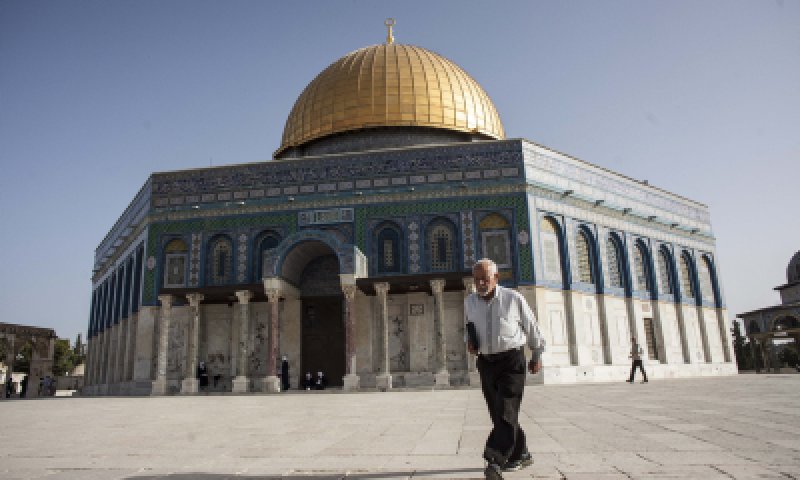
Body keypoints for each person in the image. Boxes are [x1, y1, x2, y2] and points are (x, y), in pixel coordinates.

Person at [464, 258, 545, 480]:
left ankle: (495, 460)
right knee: (497, 412)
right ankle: (522, 452)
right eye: (477, 280)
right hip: (487, 362)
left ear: (496, 278)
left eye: (485, 279)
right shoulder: (470, 302)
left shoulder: (513, 298)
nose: (481, 284)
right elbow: (469, 327)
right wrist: (469, 342)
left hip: (511, 361)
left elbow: (532, 327)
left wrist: (536, 354)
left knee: (506, 409)